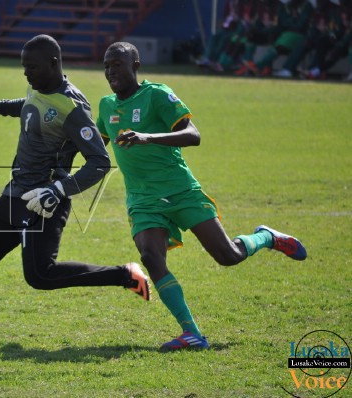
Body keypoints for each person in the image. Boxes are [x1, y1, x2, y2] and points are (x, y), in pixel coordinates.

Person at [0, 35, 151, 366]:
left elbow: (100, 162)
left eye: (31, 67)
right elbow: (30, 105)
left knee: (40, 275)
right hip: (15, 194)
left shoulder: (73, 107)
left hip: (43, 202)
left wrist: (58, 190)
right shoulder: (41, 87)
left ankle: (125, 274)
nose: (25, 74)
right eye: (23, 67)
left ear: (53, 64)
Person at [96, 42, 307, 351]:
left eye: (117, 64)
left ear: (136, 65)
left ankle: (266, 237)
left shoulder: (156, 94)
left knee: (228, 256)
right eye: (106, 65)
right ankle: (191, 332)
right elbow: (97, 144)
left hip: (180, 191)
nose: (111, 71)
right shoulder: (105, 105)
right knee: (150, 257)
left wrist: (147, 137)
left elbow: (193, 135)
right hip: (142, 199)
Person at [244, 0, 314, 76]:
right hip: (284, 33)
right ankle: (252, 64)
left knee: (283, 39)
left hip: (299, 35)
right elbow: (281, 22)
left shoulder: (307, 5)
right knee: (252, 34)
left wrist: (288, 23)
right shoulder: (285, 6)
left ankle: (258, 66)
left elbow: (300, 25)